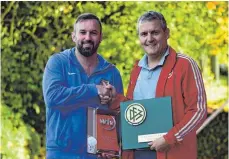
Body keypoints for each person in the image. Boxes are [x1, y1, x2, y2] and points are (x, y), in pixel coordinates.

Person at [111, 11, 207, 159]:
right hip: (137, 152)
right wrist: (114, 98)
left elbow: (198, 111)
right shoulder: (136, 70)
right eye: (144, 34)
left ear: (166, 33)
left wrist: (170, 138)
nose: (149, 39)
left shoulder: (185, 64)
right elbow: (134, 110)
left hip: (172, 152)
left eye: (155, 32)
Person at [42, 13, 123, 159]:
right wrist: (93, 89)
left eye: (93, 33)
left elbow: (120, 116)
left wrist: (112, 148)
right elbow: (52, 97)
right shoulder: (58, 63)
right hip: (61, 153)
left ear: (101, 37)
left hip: (97, 155)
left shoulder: (112, 72)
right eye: (83, 32)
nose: (87, 38)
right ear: (74, 36)